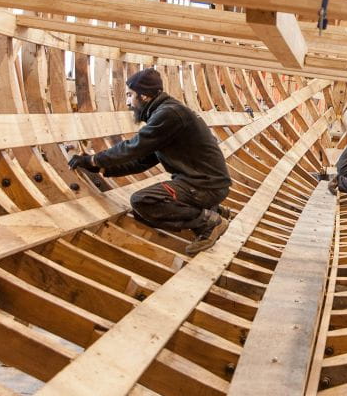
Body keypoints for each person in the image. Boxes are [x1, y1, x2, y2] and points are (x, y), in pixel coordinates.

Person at [68, 68, 231, 255]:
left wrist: (94, 159)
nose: (128, 102)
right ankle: (214, 209)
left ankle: (209, 222)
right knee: (142, 212)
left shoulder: (169, 114)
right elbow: (143, 161)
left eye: (130, 95)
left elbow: (133, 147)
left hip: (204, 186)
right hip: (206, 185)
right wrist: (104, 169)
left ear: (144, 96)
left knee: (143, 201)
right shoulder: (168, 113)